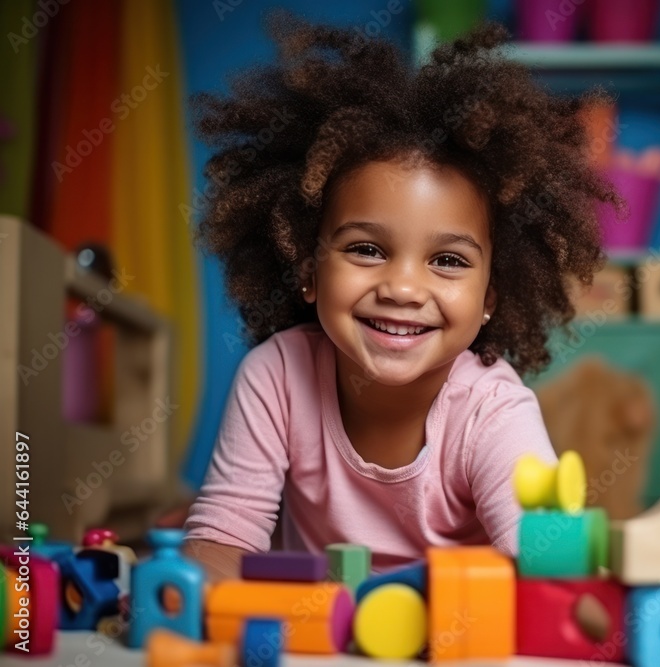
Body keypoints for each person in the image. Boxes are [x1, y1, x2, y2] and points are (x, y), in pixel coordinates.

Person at [181, 12, 619, 581]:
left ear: (490, 297)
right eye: (366, 249)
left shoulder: (492, 412)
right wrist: (188, 591)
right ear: (309, 269)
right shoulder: (276, 377)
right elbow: (221, 539)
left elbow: (544, 565)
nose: (404, 289)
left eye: (447, 261)